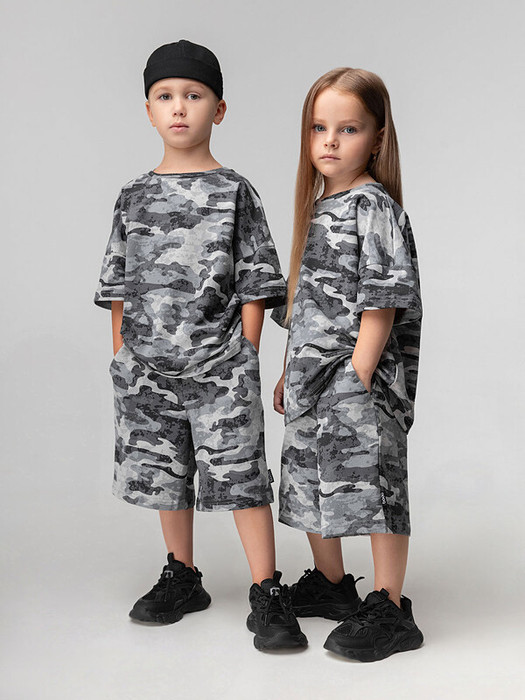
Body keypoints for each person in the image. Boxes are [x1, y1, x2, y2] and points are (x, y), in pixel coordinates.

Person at [93, 39, 307, 651]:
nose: (179, 107)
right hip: (146, 369)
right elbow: (118, 284)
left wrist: (246, 352)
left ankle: (267, 589)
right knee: (166, 474)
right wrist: (122, 355)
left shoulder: (235, 191)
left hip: (220, 366)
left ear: (219, 109)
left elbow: (257, 281)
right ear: (149, 111)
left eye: (193, 95)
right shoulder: (133, 196)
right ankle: (182, 575)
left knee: (242, 477)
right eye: (165, 96)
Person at [271, 67, 425, 662]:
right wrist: (290, 370)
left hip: (357, 381)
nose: (330, 141)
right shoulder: (316, 208)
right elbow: (307, 309)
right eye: (319, 128)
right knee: (311, 479)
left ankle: (390, 605)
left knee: (376, 487)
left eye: (348, 129)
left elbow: (382, 301)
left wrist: (358, 375)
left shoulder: (373, 207)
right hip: (312, 380)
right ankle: (333, 584)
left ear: (377, 139)